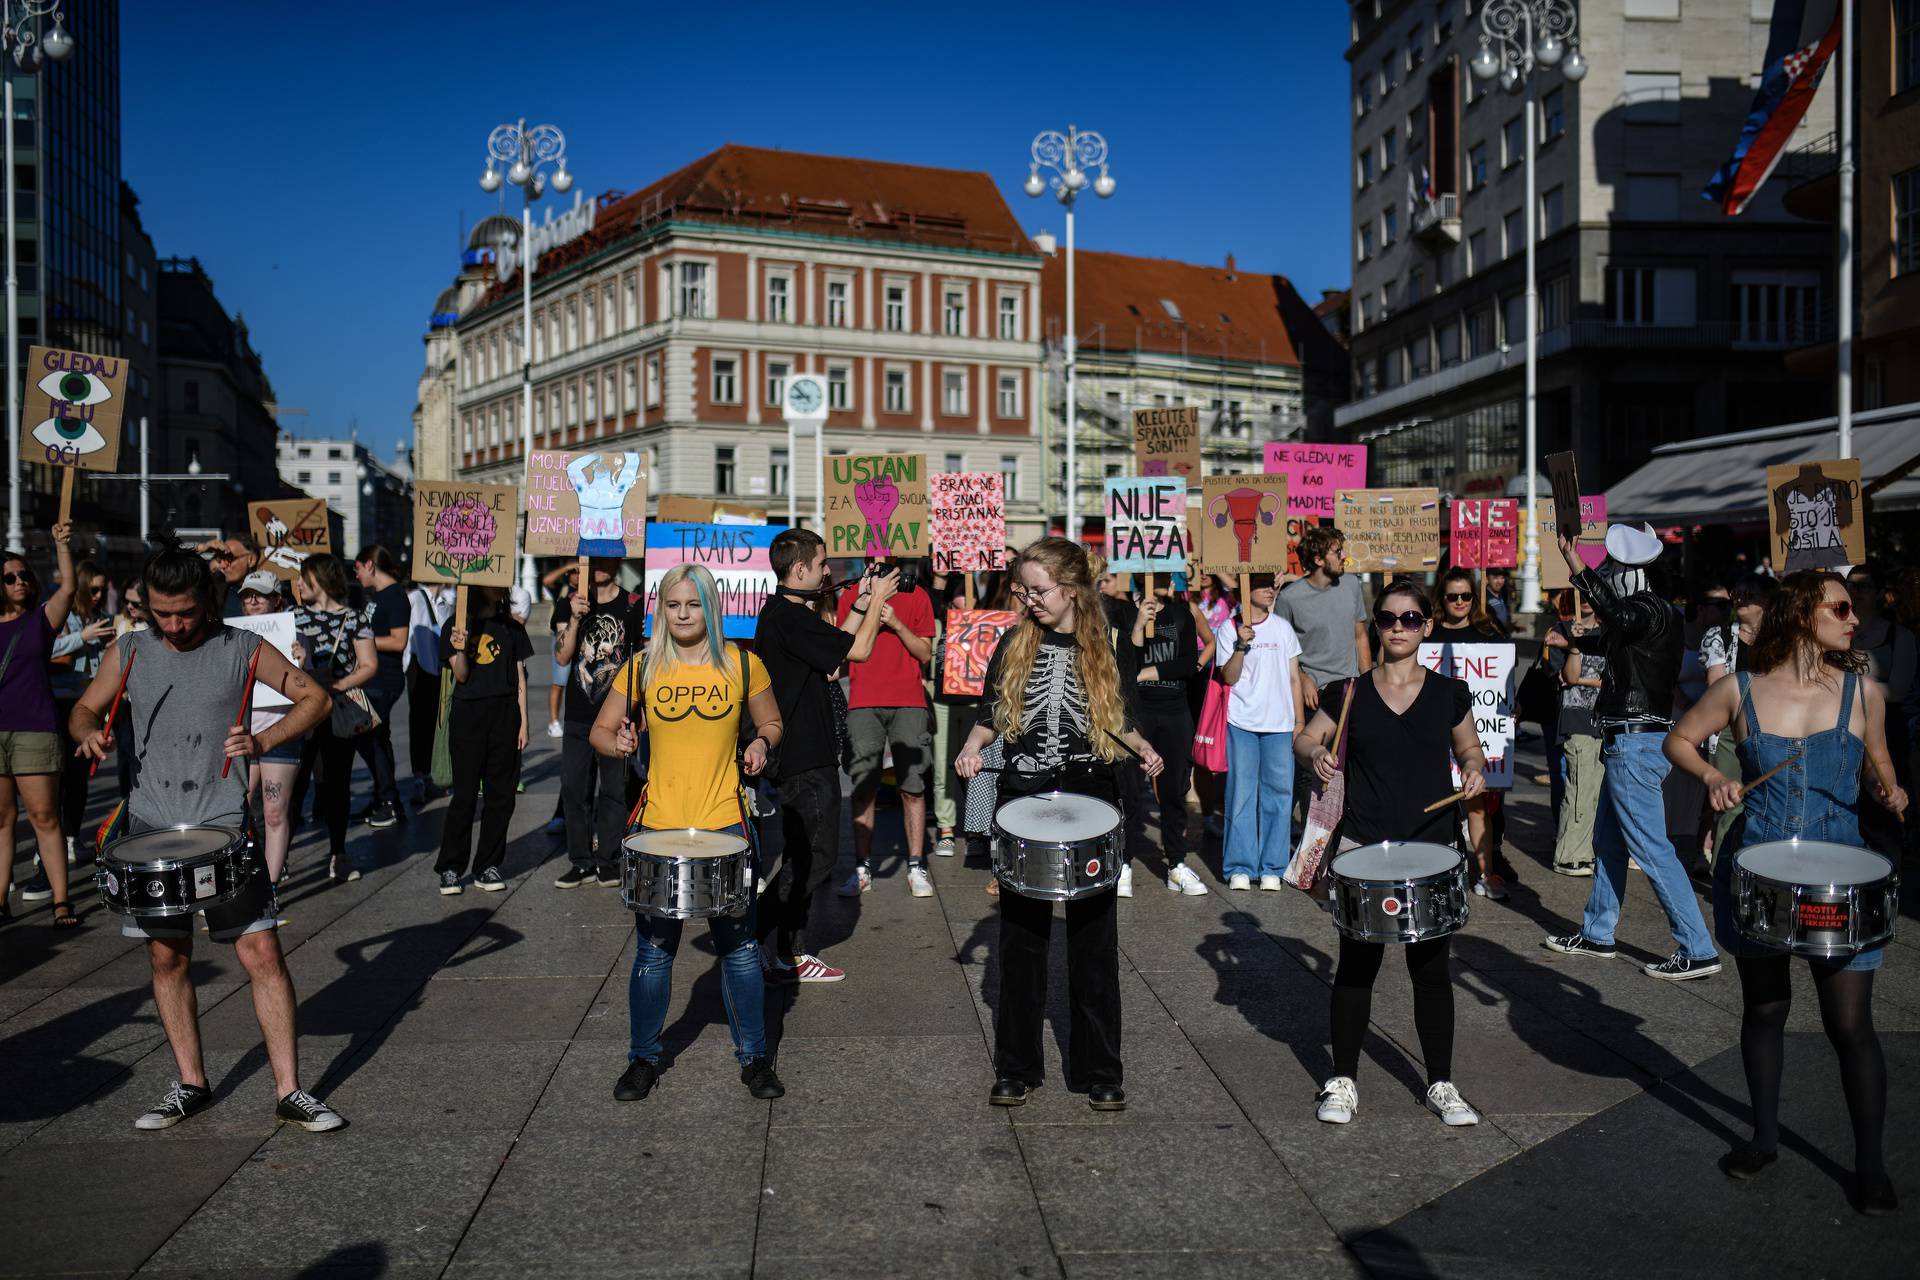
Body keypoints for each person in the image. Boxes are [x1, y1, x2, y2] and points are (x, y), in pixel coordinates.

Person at [1663, 571, 1908, 1214]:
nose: (1855, 618)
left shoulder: (1864, 694)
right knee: (1766, 1008)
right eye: (1841, 607)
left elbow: (1883, 774)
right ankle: (1764, 1138)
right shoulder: (1737, 690)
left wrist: (1891, 792)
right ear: (1804, 614)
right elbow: (1678, 740)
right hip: (1759, 871)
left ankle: (1871, 1165)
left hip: (1839, 874)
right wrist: (1715, 775)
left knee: (1849, 1024)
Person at [71, 546, 340, 1132]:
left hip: (223, 824)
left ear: (208, 602)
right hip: (150, 827)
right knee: (167, 957)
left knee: (262, 952)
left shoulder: (240, 647)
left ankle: (290, 1089)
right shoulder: (131, 650)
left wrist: (265, 744)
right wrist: (90, 732)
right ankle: (191, 1083)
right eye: (161, 614)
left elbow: (315, 698)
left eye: (185, 613)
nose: (173, 625)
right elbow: (84, 710)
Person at [955, 538, 1164, 1112]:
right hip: (1023, 803)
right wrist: (972, 751)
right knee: (1020, 945)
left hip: (1090, 801)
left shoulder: (1107, 644)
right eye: (1023, 590)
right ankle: (1017, 1068)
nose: (1029, 600)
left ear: (1071, 589)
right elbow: (991, 716)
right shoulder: (1014, 641)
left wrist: (1144, 750)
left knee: (1094, 944)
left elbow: (1119, 721)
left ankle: (1101, 1070)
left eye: (1039, 590)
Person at [590, 563, 786, 1102]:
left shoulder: (744, 665)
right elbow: (600, 732)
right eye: (673, 605)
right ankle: (643, 1060)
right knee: (654, 952)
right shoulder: (641, 667)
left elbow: (772, 723)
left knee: (740, 948)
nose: (682, 614)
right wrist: (621, 746)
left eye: (693, 604)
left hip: (725, 821)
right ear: (661, 607)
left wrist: (761, 745)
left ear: (710, 608)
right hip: (659, 826)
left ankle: (755, 1059)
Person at [1295, 579, 1485, 1128]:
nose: (1397, 627)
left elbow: (1468, 747)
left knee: (1431, 969)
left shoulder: (1450, 692)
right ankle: (1343, 1080)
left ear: (1427, 625)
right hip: (1363, 845)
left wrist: (1471, 768)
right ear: (1376, 624)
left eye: (1409, 618)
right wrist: (1317, 757)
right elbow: (1305, 740)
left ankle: (1441, 1083)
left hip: (1431, 847)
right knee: (1357, 966)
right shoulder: (1347, 692)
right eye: (1387, 618)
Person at [1544, 524, 1721, 980]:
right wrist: (1576, 642)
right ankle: (1598, 933)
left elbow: (1619, 622)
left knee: (1652, 848)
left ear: (1631, 573)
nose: (1605, 575)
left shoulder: (1644, 610)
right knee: (1607, 841)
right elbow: (1619, 641)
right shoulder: (1658, 613)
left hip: (1635, 743)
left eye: (1611, 569)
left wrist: (1578, 565)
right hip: (1633, 740)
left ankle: (1698, 948)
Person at [755, 532, 893, 981]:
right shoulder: (788, 617)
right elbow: (861, 651)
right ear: (800, 570)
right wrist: (878, 602)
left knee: (804, 854)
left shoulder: (789, 614)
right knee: (818, 855)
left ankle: (787, 951)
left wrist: (860, 604)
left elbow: (833, 657)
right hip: (802, 755)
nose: (827, 571)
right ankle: (755, 935)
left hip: (808, 752)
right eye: (821, 564)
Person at [836, 560, 936, 899]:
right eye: (872, 561)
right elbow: (841, 645)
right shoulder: (852, 594)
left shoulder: (918, 594)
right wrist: (867, 608)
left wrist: (894, 622)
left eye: (885, 562)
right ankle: (862, 868)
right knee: (863, 786)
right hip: (863, 700)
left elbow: (925, 653)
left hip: (909, 700)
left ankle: (915, 864)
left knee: (913, 786)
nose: (878, 566)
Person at [0, 525, 81, 926]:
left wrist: (61, 545)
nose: (19, 582)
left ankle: (61, 900)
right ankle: (0, 899)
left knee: (44, 817)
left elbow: (68, 588)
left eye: (24, 576)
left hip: (34, 728)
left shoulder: (38, 622)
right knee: (1, 820)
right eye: (9, 578)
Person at [1118, 574, 1212, 895]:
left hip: (1175, 712)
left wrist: (1150, 672)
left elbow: (1189, 664)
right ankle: (1124, 863)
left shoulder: (1181, 613)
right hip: (1137, 712)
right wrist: (1137, 627)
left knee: (1174, 791)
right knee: (1130, 791)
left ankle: (1175, 863)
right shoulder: (1126, 612)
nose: (1169, 583)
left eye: (1171, 578)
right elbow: (1123, 664)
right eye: (1161, 577)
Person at [433, 586, 531, 892]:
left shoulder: (512, 626)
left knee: (501, 796)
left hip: (505, 714)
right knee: (464, 795)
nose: (499, 584)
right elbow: (460, 675)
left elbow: (519, 677)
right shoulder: (456, 624)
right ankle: (450, 867)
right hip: (468, 715)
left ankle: (487, 865)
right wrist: (459, 648)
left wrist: (524, 722)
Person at [291, 554, 379, 884]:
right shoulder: (292, 616)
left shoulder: (355, 618)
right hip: (300, 711)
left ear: (321, 579)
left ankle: (338, 853)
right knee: (294, 785)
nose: (298, 583)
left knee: (336, 784)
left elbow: (369, 665)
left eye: (304, 576)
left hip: (337, 713)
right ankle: (279, 857)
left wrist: (337, 685)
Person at [1214, 572, 1304, 890]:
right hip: (1242, 723)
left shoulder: (1282, 628)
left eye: (1272, 584)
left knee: (1279, 797)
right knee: (1241, 794)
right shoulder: (1228, 628)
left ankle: (1272, 866)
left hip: (1280, 724)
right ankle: (1240, 866)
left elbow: (1295, 678)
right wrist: (1240, 644)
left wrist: (1299, 722)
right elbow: (1229, 677)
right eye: (1262, 583)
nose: (1270, 589)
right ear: (1245, 588)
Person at [552, 557, 634, 890]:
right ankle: (581, 861)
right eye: (591, 559)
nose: (597, 565)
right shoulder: (568, 603)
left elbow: (640, 657)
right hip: (578, 716)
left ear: (617, 561)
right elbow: (561, 655)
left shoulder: (632, 604)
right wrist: (574, 618)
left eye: (604, 558)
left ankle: (609, 860)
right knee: (574, 788)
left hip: (616, 717)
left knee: (614, 790)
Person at [1433, 566, 1512, 899]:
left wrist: (1510, 707)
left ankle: (1484, 873)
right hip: (1437, 733)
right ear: (1443, 598)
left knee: (1477, 806)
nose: (1460, 601)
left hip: (1477, 733)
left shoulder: (1488, 631)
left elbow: (1504, 677)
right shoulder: (1429, 634)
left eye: (1466, 595)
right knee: (1437, 808)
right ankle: (1437, 874)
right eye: (1453, 596)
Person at [237, 571, 307, 884]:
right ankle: (239, 876)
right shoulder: (232, 635)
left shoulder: (293, 634)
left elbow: (307, 690)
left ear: (276, 599)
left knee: (274, 811)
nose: (252, 600)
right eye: (247, 595)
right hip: (243, 731)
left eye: (260, 595)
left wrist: (301, 662)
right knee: (236, 811)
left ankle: (269, 887)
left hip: (281, 729)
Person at [1700, 575, 1774, 865]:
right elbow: (1716, 684)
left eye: (1750, 593)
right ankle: (1723, 872)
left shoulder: (1782, 638)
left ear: (1767, 600)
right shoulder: (1719, 635)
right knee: (1730, 803)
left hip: (1771, 728)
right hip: (1730, 729)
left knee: (1768, 801)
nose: (1741, 597)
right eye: (1738, 592)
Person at [1274, 525, 1371, 715]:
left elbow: (1360, 636)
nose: (1344, 556)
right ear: (1318, 560)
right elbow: (1279, 652)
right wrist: (1302, 679)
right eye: (1337, 552)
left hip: (1352, 690)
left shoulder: (1351, 584)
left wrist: (1368, 685)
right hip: (1314, 697)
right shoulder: (1288, 598)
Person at [351, 545, 410, 828]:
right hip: (371, 678)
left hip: (384, 679)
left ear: (371, 565)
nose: (357, 574)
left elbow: (399, 641)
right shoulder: (376, 596)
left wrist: (362, 643)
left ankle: (389, 801)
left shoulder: (396, 596)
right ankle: (383, 797)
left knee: (370, 739)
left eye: (359, 568)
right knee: (375, 739)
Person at [1550, 594, 1604, 877]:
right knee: (1580, 789)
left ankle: (1586, 851)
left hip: (1606, 722)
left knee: (1594, 791)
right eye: (1580, 594)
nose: (1586, 600)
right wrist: (1573, 643)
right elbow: (1567, 678)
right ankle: (1570, 855)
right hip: (1578, 719)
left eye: (1591, 594)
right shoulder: (1561, 630)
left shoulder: (1610, 631)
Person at [406, 578, 453, 803]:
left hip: (437, 667)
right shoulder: (415, 598)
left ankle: (429, 774)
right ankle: (419, 777)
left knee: (434, 722)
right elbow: (407, 634)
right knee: (418, 723)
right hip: (418, 665)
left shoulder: (444, 602)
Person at [197, 533, 261, 618]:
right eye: (219, 559)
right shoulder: (211, 588)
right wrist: (201, 549)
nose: (222, 566)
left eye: (228, 558)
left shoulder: (266, 592)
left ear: (251, 559)